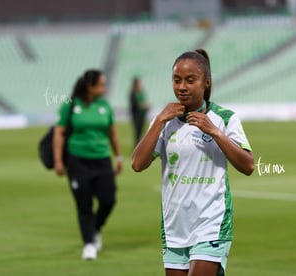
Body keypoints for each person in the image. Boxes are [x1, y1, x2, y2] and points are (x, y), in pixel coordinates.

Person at [131, 49, 255, 276]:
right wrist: (159, 120)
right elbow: (138, 164)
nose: (182, 87)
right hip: (175, 226)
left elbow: (248, 165)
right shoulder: (165, 121)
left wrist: (215, 132)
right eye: (177, 80)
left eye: (190, 80)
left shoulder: (224, 118)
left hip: (211, 224)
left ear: (206, 82)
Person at [53, 69, 123, 260]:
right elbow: (59, 133)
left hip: (102, 160)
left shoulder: (104, 106)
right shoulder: (70, 105)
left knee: (108, 200)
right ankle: (89, 244)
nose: (104, 87)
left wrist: (118, 157)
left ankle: (95, 228)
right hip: (77, 162)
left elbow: (112, 133)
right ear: (90, 86)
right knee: (84, 205)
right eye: (101, 84)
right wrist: (59, 161)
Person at [129, 76, 149, 146]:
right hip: (136, 116)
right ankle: (136, 147)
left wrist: (146, 106)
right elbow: (134, 104)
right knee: (138, 133)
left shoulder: (141, 92)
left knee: (141, 132)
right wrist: (142, 106)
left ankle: (139, 146)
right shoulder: (133, 93)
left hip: (142, 115)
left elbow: (143, 102)